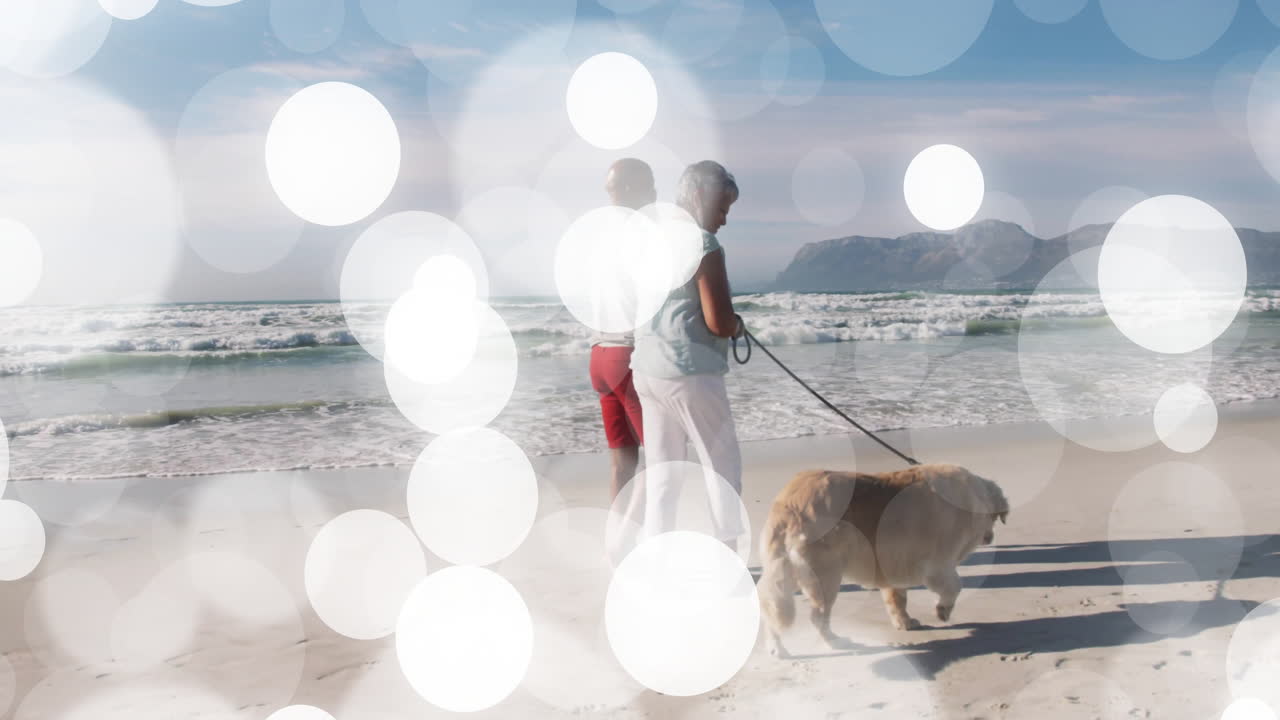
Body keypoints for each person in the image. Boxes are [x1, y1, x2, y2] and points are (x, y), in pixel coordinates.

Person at [629, 160, 745, 551]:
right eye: (721, 208)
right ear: (699, 197)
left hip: (646, 367)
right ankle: (728, 555)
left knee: (664, 474)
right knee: (722, 466)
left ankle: (655, 558)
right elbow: (718, 320)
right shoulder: (704, 244)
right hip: (690, 370)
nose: (723, 220)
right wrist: (737, 326)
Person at [590, 158, 656, 501]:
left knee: (622, 464)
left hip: (599, 354)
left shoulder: (598, 234)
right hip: (627, 355)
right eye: (651, 186)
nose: (656, 193)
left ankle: (618, 547)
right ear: (632, 188)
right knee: (662, 461)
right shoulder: (641, 232)